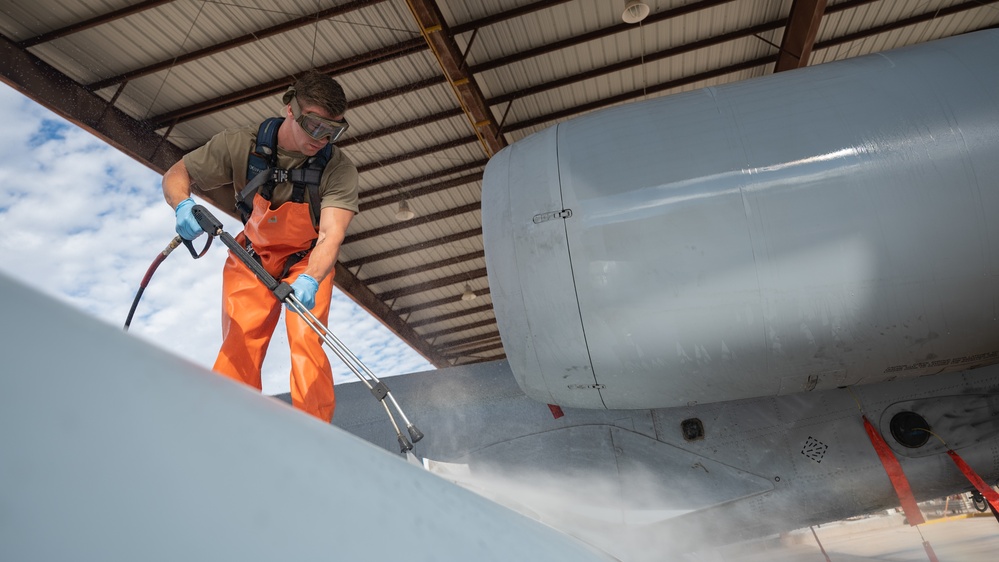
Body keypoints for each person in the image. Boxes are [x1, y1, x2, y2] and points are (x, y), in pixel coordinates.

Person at [161, 70, 358, 423]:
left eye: (333, 131)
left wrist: (311, 278)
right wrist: (182, 204)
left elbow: (331, 236)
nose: (323, 139)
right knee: (240, 343)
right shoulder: (241, 144)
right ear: (290, 109)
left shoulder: (338, 168)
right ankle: (228, 431)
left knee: (306, 342)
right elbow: (177, 173)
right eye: (314, 127)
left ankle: (316, 441)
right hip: (252, 257)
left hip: (307, 261)